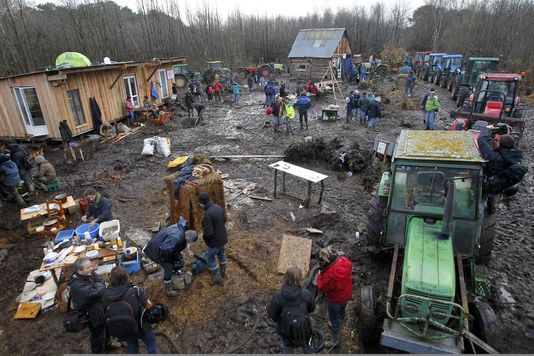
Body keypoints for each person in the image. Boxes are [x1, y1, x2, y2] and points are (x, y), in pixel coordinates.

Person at [102, 266, 157, 354]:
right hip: (140, 325)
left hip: (123, 327)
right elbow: (149, 306)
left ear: (111, 278)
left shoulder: (105, 294)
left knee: (132, 346)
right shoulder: (135, 290)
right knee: (151, 345)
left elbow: (105, 310)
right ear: (126, 277)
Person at [144, 216, 198, 297]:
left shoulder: (180, 228)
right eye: (190, 242)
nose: (190, 243)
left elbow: (172, 247)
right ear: (188, 237)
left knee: (176, 259)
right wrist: (169, 261)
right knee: (168, 267)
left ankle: (173, 271)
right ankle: (168, 290)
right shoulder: (176, 238)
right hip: (155, 250)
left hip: (159, 244)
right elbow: (165, 250)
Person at [267, 266, 316, 354]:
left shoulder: (277, 297)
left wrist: (280, 320)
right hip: (304, 328)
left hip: (286, 330)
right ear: (300, 279)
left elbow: (272, 315)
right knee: (308, 346)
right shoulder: (306, 293)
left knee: (288, 350)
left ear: (285, 277)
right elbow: (312, 309)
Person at [477, 125, 527, 200]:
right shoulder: (516, 155)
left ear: (500, 144)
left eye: (497, 140)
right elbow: (509, 142)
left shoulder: (495, 157)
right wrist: (502, 132)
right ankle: (491, 209)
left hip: (489, 187)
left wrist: (488, 128)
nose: (494, 140)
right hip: (499, 187)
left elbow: (481, 139)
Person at [68, 257, 106, 353]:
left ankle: (107, 345)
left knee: (106, 328)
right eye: (88, 267)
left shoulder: (87, 274)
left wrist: (98, 285)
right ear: (80, 271)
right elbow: (97, 293)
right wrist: (100, 286)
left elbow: (99, 278)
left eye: (91, 266)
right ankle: (97, 352)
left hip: (99, 308)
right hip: (92, 314)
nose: (92, 269)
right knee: (97, 334)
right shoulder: (77, 286)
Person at [317, 249, 353, 348]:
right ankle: (341, 319)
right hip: (347, 293)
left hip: (335, 300)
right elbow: (350, 265)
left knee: (333, 317)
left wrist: (319, 276)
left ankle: (336, 340)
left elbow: (322, 287)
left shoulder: (329, 275)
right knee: (342, 309)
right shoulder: (343, 260)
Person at [198, 192, 228, 285]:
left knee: (210, 257)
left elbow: (209, 233)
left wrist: (203, 236)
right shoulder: (218, 207)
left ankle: (217, 278)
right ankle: (223, 272)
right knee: (221, 253)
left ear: (202, 203)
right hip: (223, 238)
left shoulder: (207, 215)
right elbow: (224, 220)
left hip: (215, 242)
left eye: (199, 203)